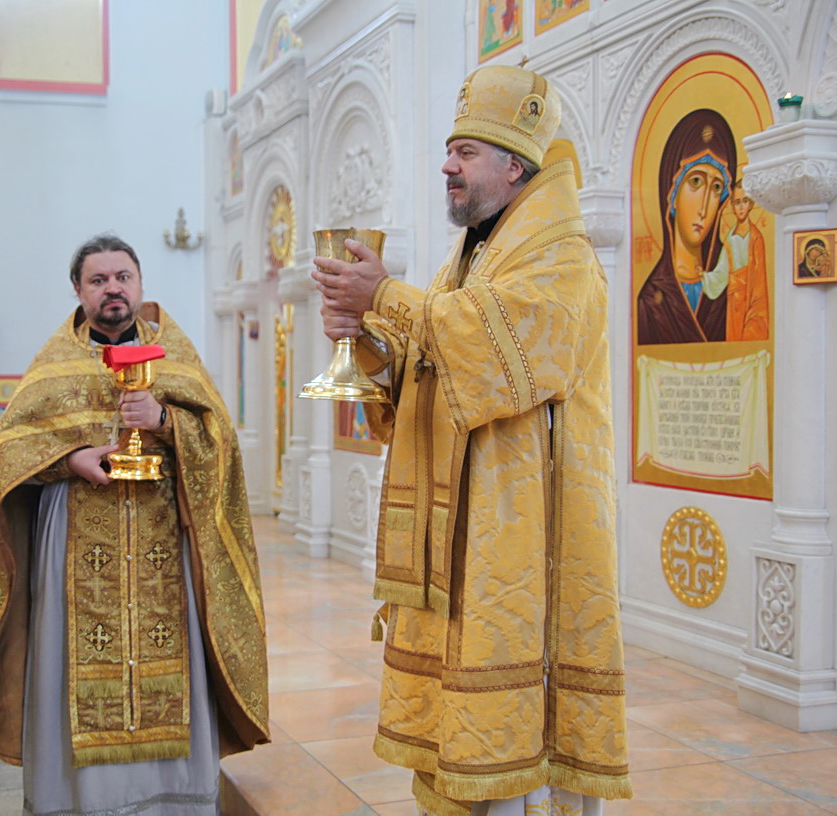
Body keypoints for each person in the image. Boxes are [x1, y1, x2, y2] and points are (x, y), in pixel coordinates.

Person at [312, 65, 631, 815]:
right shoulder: (474, 255)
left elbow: (506, 351)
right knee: (461, 717)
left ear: (513, 165)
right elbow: (439, 366)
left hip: (522, 533)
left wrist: (386, 298)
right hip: (468, 527)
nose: (447, 167)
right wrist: (370, 344)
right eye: (447, 152)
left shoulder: (561, 256)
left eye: (464, 153)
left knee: (516, 733)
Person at [0, 235, 269, 816]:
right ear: (79, 291)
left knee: (174, 667)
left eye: (123, 277)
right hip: (73, 552)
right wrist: (68, 459)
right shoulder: (53, 367)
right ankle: (79, 801)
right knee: (68, 663)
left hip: (163, 549)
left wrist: (166, 419)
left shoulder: (177, 358)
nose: (113, 288)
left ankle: (170, 801)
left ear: (140, 286)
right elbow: (5, 459)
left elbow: (222, 447)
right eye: (99, 280)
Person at [636, 108, 737, 344]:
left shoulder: (732, 289)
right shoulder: (650, 301)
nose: (704, 208)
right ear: (671, 195)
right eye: (695, 182)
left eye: (716, 188)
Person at [710, 180, 769, 340]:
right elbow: (722, 271)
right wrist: (703, 277)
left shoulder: (756, 238)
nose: (741, 207)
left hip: (750, 297)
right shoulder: (730, 237)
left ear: (751, 204)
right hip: (733, 301)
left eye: (744, 201)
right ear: (732, 206)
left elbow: (759, 280)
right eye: (737, 203)